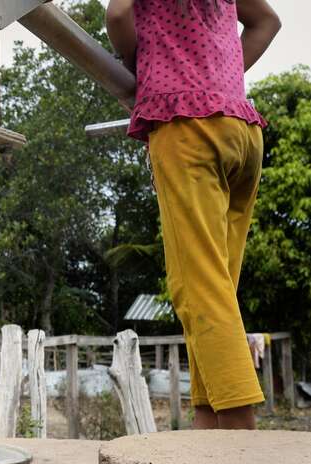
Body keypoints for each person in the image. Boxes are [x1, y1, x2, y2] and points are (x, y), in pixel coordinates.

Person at [106, 0, 280, 429]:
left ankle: (239, 429)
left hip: (187, 127)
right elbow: (267, 22)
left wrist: (138, 61)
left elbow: (117, 14)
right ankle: (208, 421)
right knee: (216, 287)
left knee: (199, 287)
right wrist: (222, 77)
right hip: (241, 130)